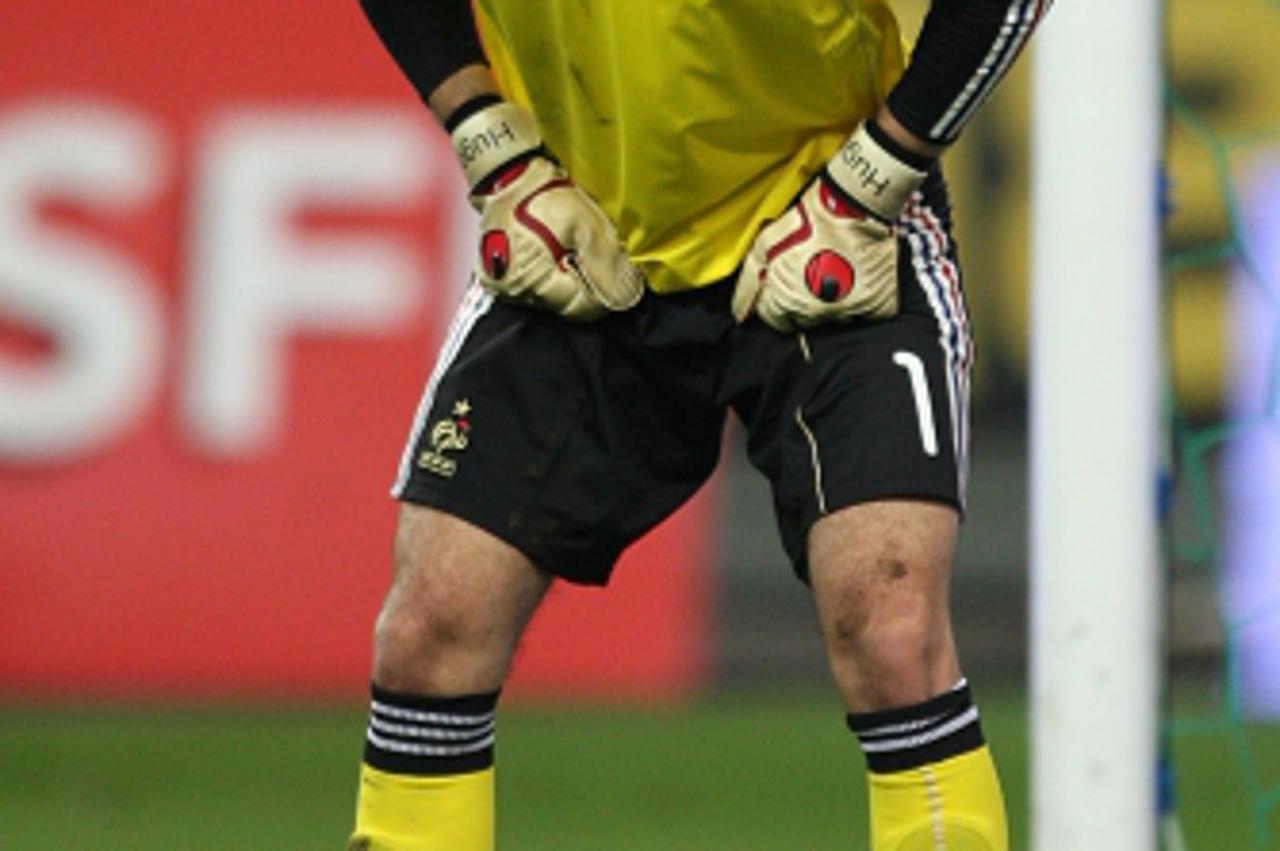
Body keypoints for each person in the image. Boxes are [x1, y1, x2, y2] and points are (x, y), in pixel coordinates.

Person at [348, 1, 1048, 848]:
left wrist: (878, 171)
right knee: (432, 629)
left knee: (892, 634)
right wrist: (489, 142)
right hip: (587, 226)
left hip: (829, 218)